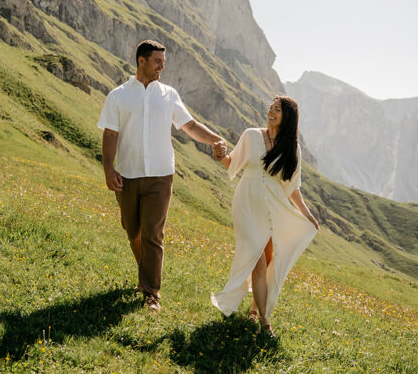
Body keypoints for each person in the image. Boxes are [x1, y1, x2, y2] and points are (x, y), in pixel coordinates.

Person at [98, 39, 226, 312]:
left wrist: (216, 140)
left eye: (163, 63)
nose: (161, 68)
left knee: (153, 233)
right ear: (141, 61)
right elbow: (110, 134)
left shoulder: (168, 94)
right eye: (157, 62)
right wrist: (108, 169)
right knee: (133, 231)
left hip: (160, 175)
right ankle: (146, 279)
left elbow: (189, 125)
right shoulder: (118, 96)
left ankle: (151, 293)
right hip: (128, 174)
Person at [211, 95, 320, 336]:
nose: (270, 112)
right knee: (258, 260)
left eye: (277, 110)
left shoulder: (292, 149)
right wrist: (221, 156)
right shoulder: (251, 135)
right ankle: (265, 322)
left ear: (287, 117)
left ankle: (254, 309)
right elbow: (232, 163)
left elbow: (292, 188)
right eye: (270, 108)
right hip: (246, 204)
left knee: (268, 261)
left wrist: (307, 215)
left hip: (273, 208)